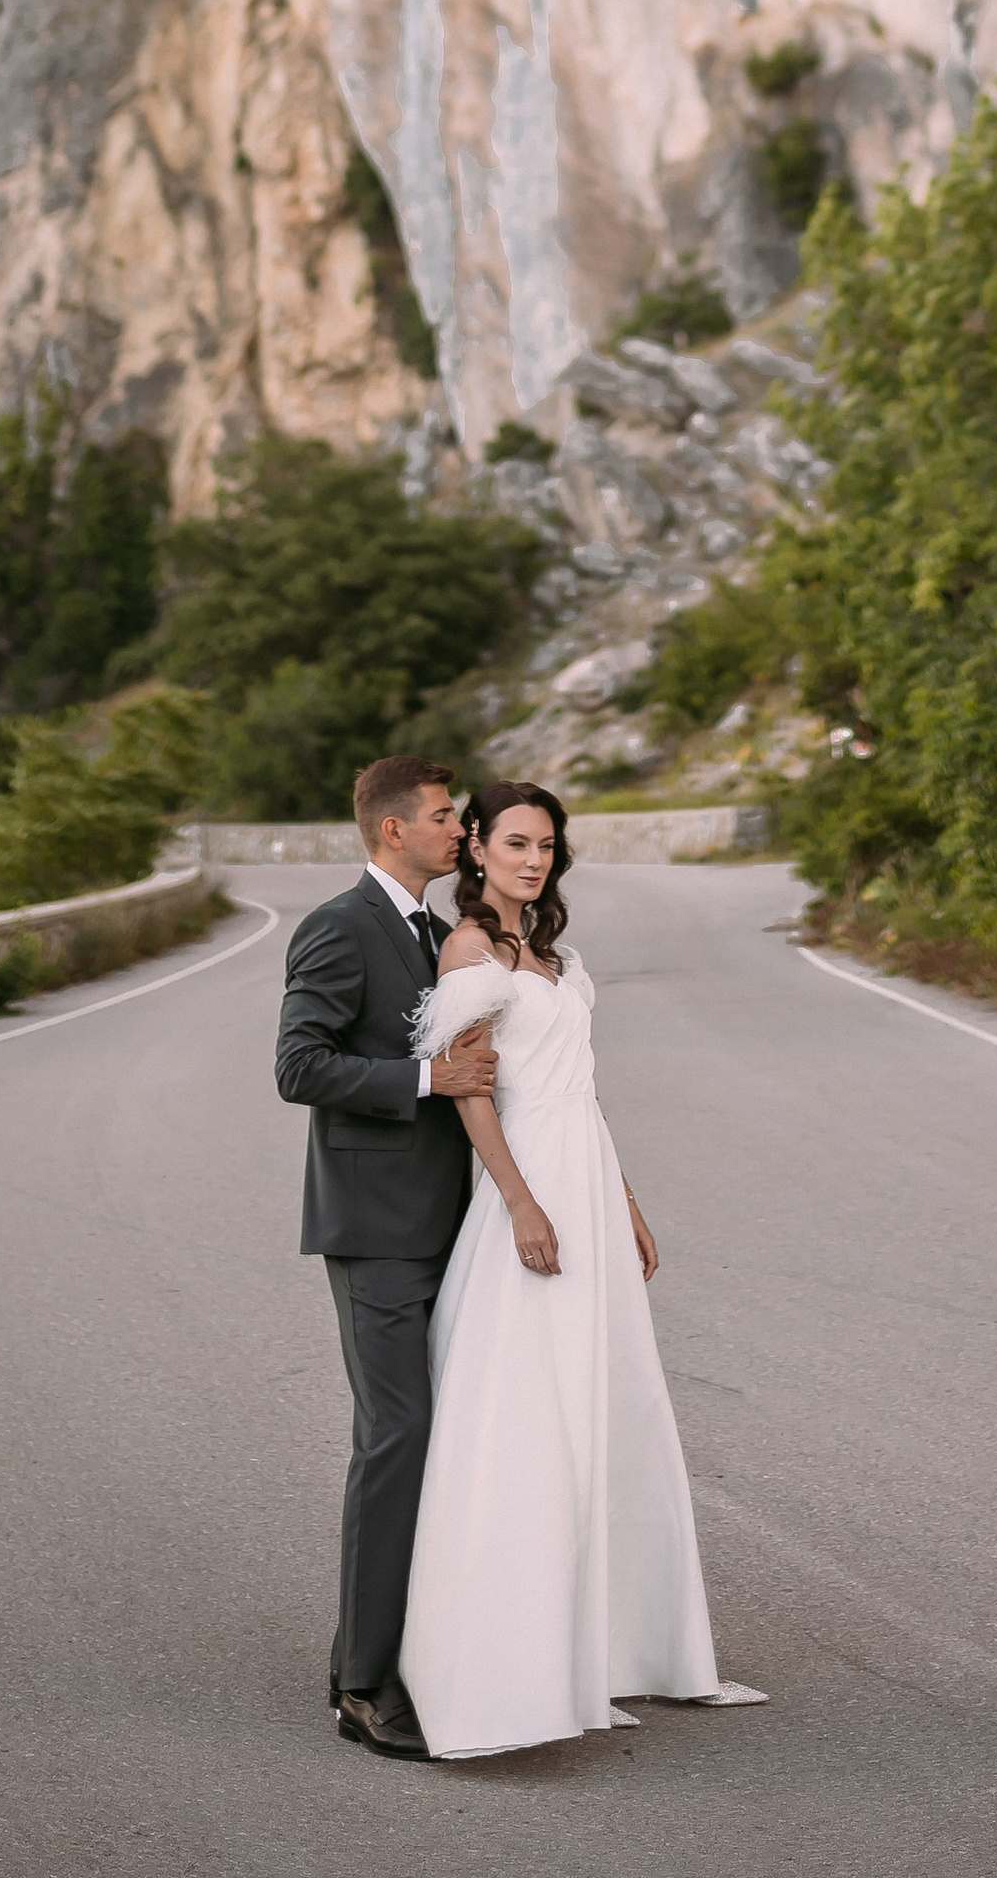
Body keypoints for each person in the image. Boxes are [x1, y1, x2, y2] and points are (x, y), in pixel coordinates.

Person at [396, 779, 763, 1760]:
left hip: (587, 1179)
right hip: (530, 1185)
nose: (531, 859)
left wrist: (626, 1200)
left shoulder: (558, 956)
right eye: (514, 841)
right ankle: (515, 1660)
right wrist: (519, 1200)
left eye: (546, 845)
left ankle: (616, 1644)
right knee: (532, 1411)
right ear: (474, 846)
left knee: (611, 1404)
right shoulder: (468, 949)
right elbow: (475, 1092)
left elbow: (583, 1095)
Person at [273, 755, 501, 1763]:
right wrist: (425, 1075)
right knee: (396, 1437)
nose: (461, 830)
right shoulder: (338, 924)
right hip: (373, 1227)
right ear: (394, 829)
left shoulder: (431, 931)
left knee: (429, 1439)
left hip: (448, 1224)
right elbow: (299, 1062)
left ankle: (371, 1653)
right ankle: (364, 1685)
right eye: (446, 817)